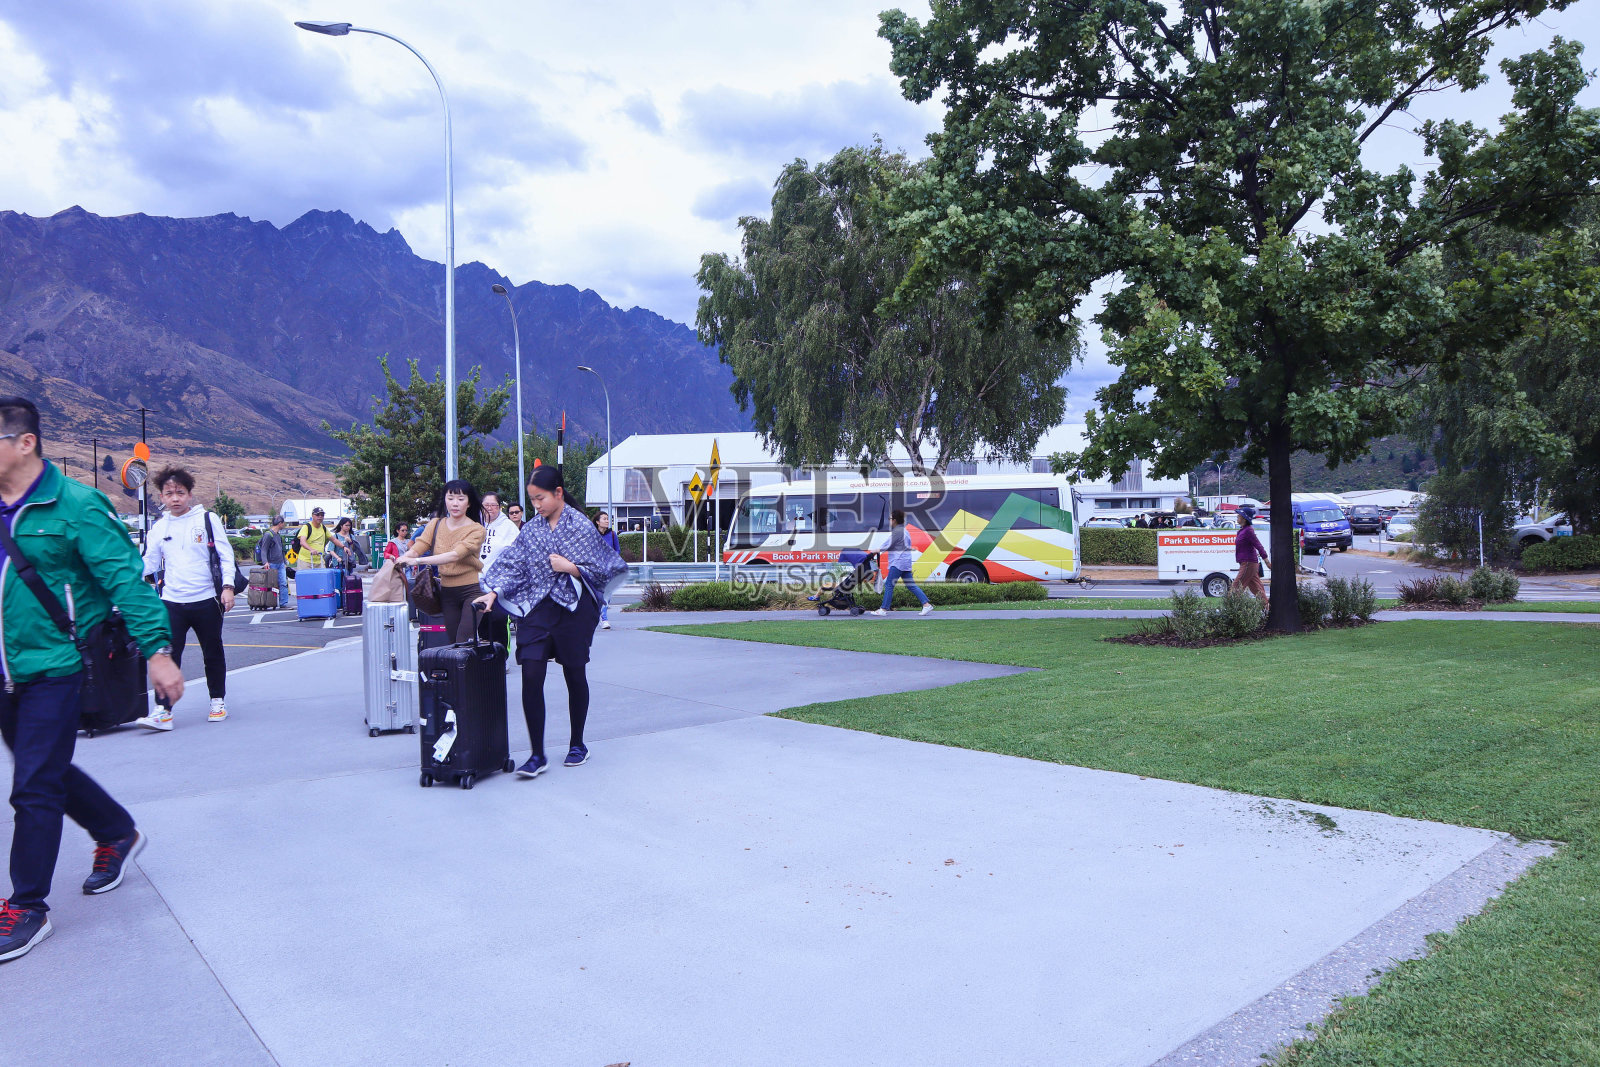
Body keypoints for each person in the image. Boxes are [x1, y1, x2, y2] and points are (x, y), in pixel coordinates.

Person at [0, 396, 184, 965]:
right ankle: (117, 831)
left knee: (33, 784)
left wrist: (158, 650)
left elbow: (127, 581)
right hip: (4, 667)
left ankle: (27, 905)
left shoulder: (76, 505)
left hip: (55, 664)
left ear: (23, 443)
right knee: (45, 767)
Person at [474, 466, 625, 778]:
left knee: (574, 672)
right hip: (538, 608)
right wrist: (493, 592)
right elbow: (515, 563)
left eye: (540, 498)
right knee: (530, 671)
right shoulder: (532, 529)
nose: (536, 506)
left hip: (574, 609)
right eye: (532, 500)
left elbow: (605, 567)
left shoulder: (581, 526)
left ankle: (577, 744)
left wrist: (572, 567)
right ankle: (537, 754)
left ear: (558, 493)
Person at [136, 466, 235, 729]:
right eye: (169, 493)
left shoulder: (207, 520)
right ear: (162, 497)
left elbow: (226, 555)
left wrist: (228, 587)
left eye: (180, 492)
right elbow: (150, 562)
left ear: (190, 494)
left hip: (206, 599)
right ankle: (163, 710)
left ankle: (217, 701)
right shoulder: (159, 527)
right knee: (167, 655)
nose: (175, 498)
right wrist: (125, 570)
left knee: (212, 652)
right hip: (171, 602)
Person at [399, 480, 486, 643]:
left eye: (461, 499)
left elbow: (454, 555)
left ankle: (473, 668)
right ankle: (461, 669)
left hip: (473, 590)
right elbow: (419, 545)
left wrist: (416, 560)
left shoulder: (476, 529)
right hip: (446, 591)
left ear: (469, 503)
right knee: (453, 642)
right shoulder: (435, 524)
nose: (455, 503)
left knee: (463, 640)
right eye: (450, 498)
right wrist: (404, 557)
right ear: (444, 500)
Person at [870, 510, 933, 617]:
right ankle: (926, 605)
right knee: (911, 585)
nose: (889, 520)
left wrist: (876, 550)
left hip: (898, 562)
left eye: (890, 519)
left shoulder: (897, 531)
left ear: (894, 520)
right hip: (905, 562)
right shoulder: (904, 531)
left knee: (889, 585)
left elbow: (888, 544)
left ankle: (883, 609)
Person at [477, 492, 518, 647]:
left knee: (499, 619)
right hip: (478, 581)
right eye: (486, 505)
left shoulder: (508, 527)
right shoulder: (476, 525)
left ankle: (501, 656)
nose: (489, 509)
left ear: (499, 507)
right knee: (481, 619)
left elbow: (516, 555)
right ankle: (485, 657)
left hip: (499, 583)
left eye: (493, 505)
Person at [1232, 506, 1272, 605]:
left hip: (1248, 563)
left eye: (1239, 515)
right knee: (1257, 589)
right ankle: (1268, 611)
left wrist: (1267, 561)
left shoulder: (1248, 531)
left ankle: (1231, 611)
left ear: (1244, 518)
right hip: (1246, 563)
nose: (1237, 517)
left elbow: (1258, 545)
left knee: (1236, 587)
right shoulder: (1242, 530)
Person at [254, 515, 291, 606]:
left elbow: (281, 550)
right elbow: (264, 549)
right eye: (283, 523)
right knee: (271, 585)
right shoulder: (268, 535)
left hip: (280, 563)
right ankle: (268, 602)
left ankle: (283, 603)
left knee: (283, 583)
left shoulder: (278, 535)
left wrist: (284, 562)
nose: (284, 525)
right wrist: (265, 562)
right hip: (272, 563)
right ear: (280, 523)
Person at [594, 511, 621, 630]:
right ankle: (599, 617)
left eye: (607, 519)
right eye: (604, 519)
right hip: (595, 570)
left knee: (607, 594)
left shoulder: (613, 535)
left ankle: (603, 618)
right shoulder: (592, 535)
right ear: (597, 522)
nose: (607, 521)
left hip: (609, 570)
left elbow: (617, 550)